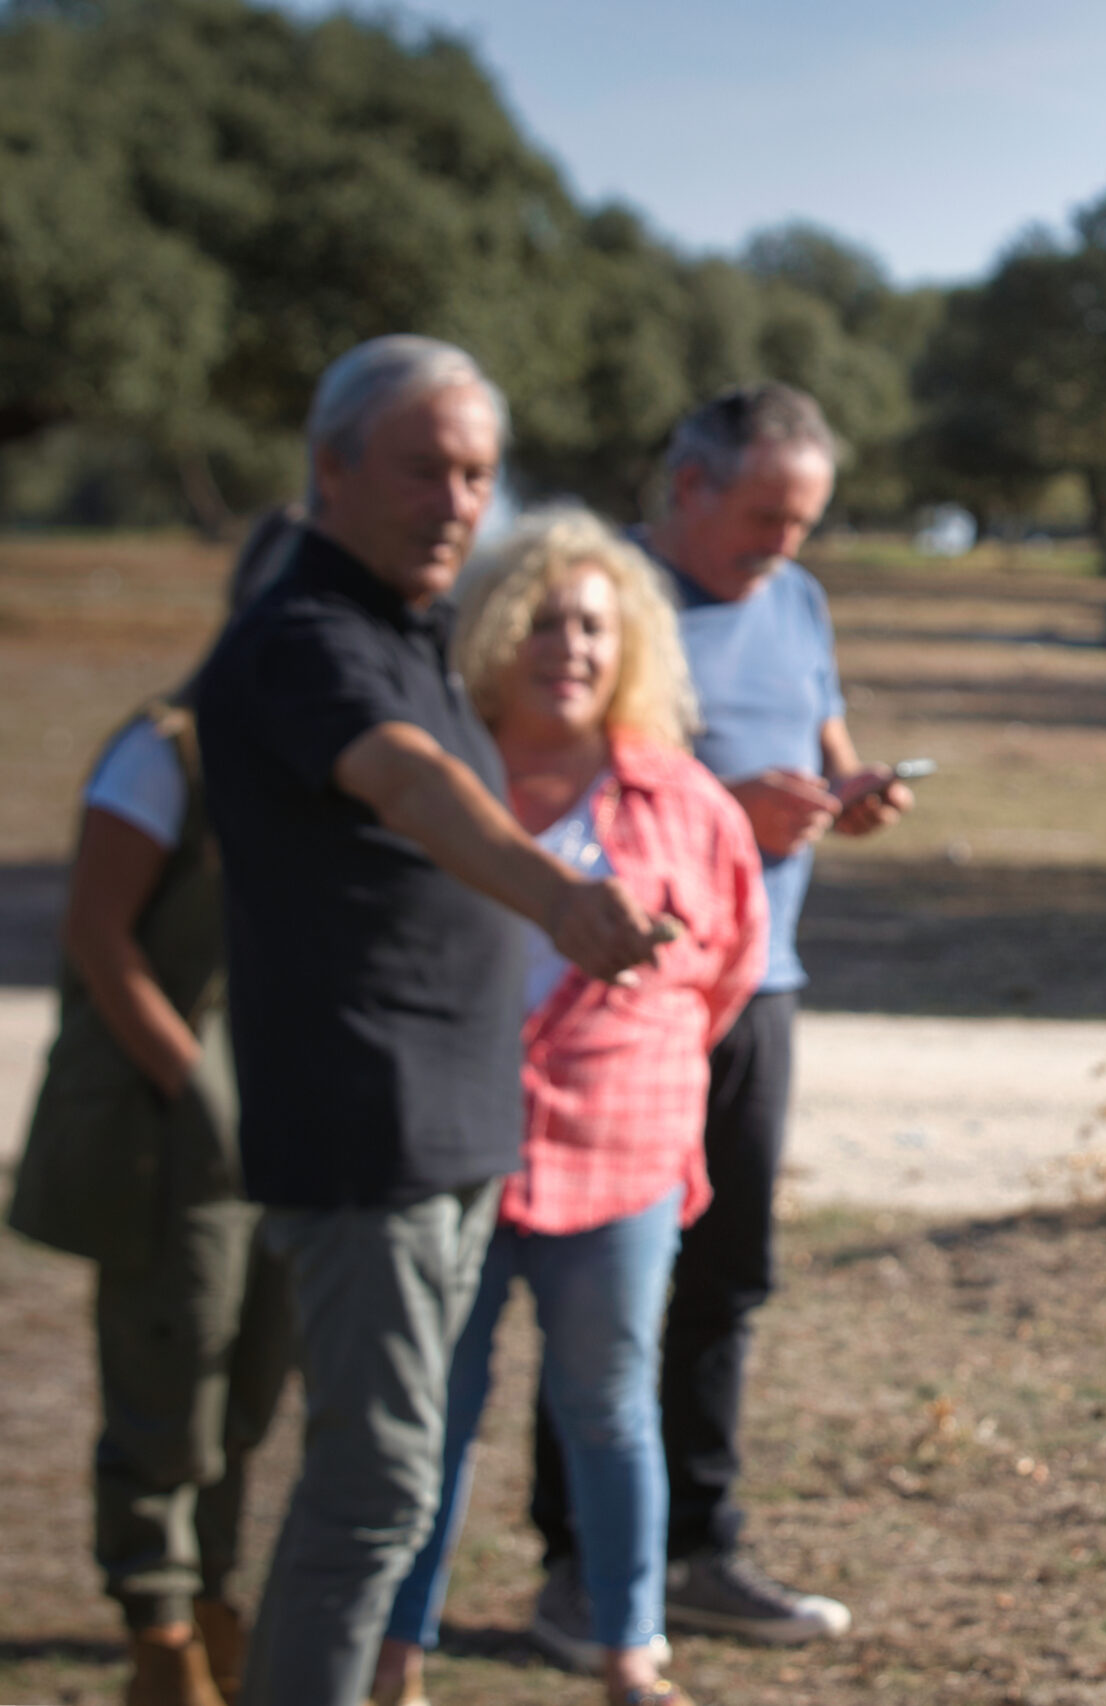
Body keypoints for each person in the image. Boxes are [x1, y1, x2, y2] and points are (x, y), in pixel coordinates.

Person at [192, 336, 672, 1706]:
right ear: (330, 466)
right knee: (377, 1481)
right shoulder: (305, 640)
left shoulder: (412, 634)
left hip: (455, 1124)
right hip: (368, 1128)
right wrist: (558, 895)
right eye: (424, 468)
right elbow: (409, 785)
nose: (459, 499)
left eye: (476, 473)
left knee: (386, 1485)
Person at [527, 383, 909, 1658]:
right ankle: (577, 1565)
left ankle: (700, 1546)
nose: (783, 546)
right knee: (597, 1280)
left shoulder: (795, 600)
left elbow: (821, 733)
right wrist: (716, 814)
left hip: (760, 981)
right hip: (626, 991)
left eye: (803, 520)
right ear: (686, 484)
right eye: (763, 516)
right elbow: (556, 771)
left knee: (727, 1269)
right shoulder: (600, 603)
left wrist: (846, 792)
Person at [372, 507, 767, 1706]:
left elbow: (729, 969)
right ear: (492, 631)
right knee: (430, 1410)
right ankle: (397, 1644)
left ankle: (628, 1644)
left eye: (594, 624)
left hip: (621, 1148)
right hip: (458, 1140)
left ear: (630, 642)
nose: (570, 646)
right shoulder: (446, 780)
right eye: (543, 620)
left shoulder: (685, 800)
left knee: (608, 1401)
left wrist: (632, 1066)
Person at [7, 508, 304, 1706]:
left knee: (253, 1375)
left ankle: (214, 1589)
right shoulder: (166, 749)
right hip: (168, 1129)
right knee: (168, 1373)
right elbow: (98, 933)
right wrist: (193, 1082)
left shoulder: (321, 759)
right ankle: (158, 1622)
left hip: (280, 1123)